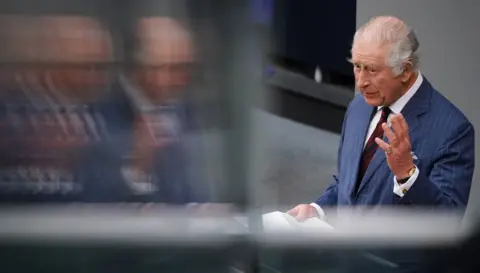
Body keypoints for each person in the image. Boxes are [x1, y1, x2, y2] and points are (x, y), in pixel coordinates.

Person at [288, 16, 475, 220]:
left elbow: (447, 221)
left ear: (405, 70)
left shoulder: (452, 130)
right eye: (357, 66)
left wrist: (407, 175)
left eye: (372, 70)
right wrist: (317, 210)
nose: (361, 82)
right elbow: (348, 185)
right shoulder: (358, 107)